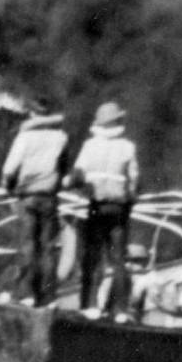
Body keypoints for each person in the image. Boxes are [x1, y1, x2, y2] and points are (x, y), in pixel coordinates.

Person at [68, 100, 139, 317]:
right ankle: (120, 309)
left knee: (92, 256)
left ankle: (89, 305)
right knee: (118, 259)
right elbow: (134, 179)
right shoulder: (128, 147)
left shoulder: (90, 146)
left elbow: (78, 174)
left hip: (96, 205)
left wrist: (74, 185)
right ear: (118, 122)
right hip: (119, 208)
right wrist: (131, 199)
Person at [2, 103, 70, 305]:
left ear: (32, 116)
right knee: (48, 247)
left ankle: (26, 293)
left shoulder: (24, 138)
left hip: (27, 196)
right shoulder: (61, 138)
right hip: (49, 196)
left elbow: (9, 169)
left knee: (27, 245)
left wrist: (7, 186)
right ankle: (48, 296)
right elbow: (64, 167)